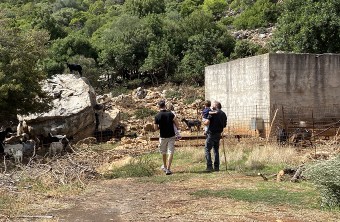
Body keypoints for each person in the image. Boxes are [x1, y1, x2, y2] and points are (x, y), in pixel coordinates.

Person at [154, 100, 180, 175]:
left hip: (163, 136)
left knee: (163, 152)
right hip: (171, 136)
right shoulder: (171, 114)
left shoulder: (157, 116)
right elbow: (177, 124)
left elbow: (155, 128)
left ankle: (164, 166)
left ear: (159, 107)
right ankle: (168, 169)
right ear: (165, 106)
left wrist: (160, 127)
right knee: (170, 152)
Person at [203, 101, 227, 172]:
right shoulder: (223, 114)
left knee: (207, 149)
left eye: (213, 105)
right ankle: (216, 167)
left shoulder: (212, 113)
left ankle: (209, 166)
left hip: (211, 133)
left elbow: (207, 122)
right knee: (216, 150)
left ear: (216, 106)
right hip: (218, 134)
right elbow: (224, 125)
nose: (211, 106)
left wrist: (203, 122)